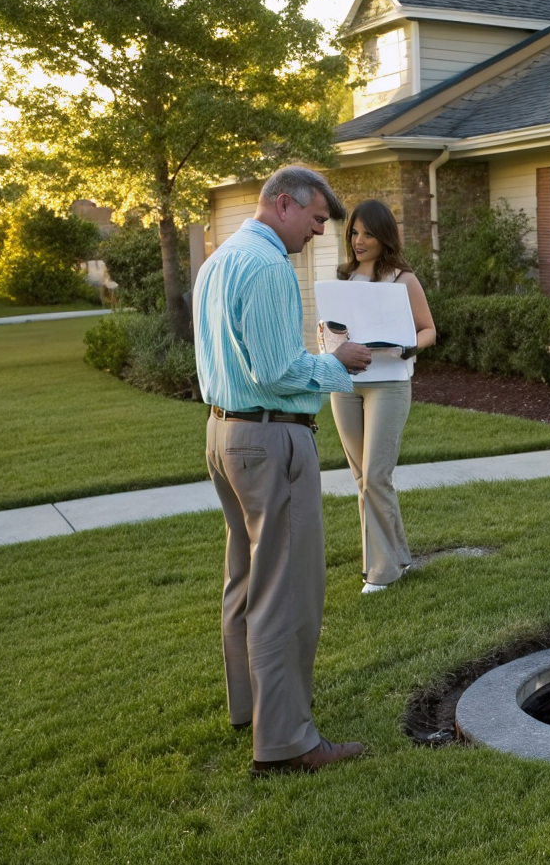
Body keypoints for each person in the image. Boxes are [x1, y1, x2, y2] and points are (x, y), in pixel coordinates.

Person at [192, 165, 372, 777]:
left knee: (244, 581)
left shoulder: (220, 260)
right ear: (284, 204)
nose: (319, 234)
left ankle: (253, 709)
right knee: (285, 591)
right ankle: (287, 741)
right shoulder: (268, 266)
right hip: (271, 438)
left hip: (224, 433)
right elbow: (275, 372)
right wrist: (335, 361)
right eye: (318, 221)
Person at [324, 199, 436, 595]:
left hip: (389, 385)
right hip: (346, 385)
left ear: (383, 236)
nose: (358, 240)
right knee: (362, 479)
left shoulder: (402, 279)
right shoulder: (343, 278)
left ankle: (381, 573)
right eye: (354, 232)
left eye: (368, 233)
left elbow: (428, 331)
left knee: (375, 475)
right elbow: (334, 331)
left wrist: (405, 348)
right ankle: (397, 559)